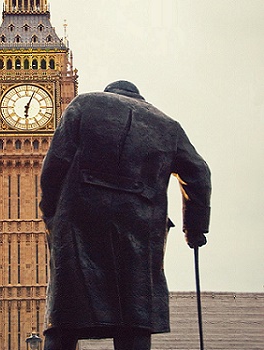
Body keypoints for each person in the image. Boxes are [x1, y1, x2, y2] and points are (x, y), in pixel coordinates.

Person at [39, 81, 211, 350]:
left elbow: (55, 163)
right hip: (141, 227)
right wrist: (195, 228)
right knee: (135, 316)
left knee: (66, 315)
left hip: (79, 221)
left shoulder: (84, 104)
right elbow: (199, 173)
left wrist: (50, 211)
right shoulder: (168, 126)